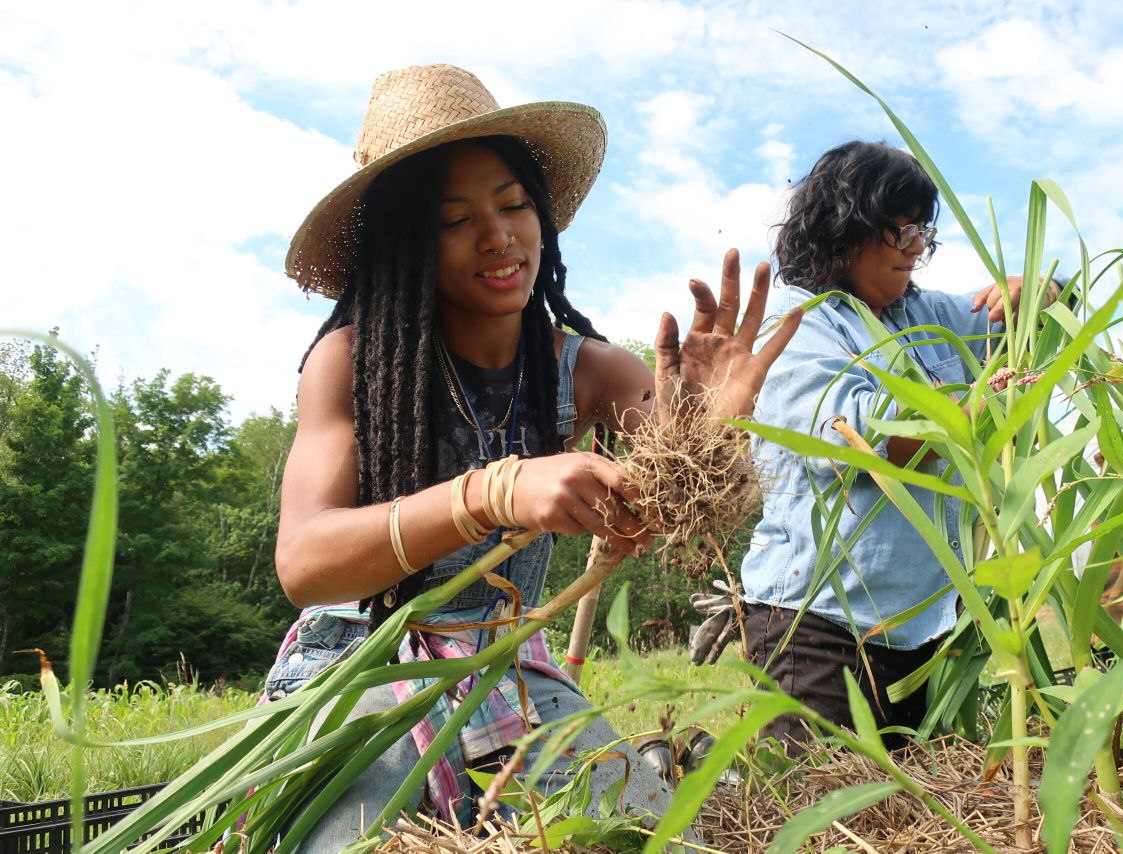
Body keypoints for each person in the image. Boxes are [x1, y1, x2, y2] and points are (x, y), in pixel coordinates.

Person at [264, 64, 800, 849]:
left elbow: (679, 501)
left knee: (649, 836)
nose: (499, 235)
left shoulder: (584, 369)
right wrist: (490, 493)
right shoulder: (350, 363)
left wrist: (705, 433)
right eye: (456, 220)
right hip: (360, 665)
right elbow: (305, 564)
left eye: (514, 206)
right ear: (407, 242)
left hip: (509, 667)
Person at [738, 140, 1049, 752]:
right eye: (900, 229)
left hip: (922, 629)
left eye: (922, 232)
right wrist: (974, 404)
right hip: (820, 624)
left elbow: (1025, 311)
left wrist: (1040, 288)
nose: (916, 248)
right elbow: (861, 439)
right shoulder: (801, 325)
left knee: (900, 815)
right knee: (813, 813)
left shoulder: (921, 314)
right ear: (843, 230)